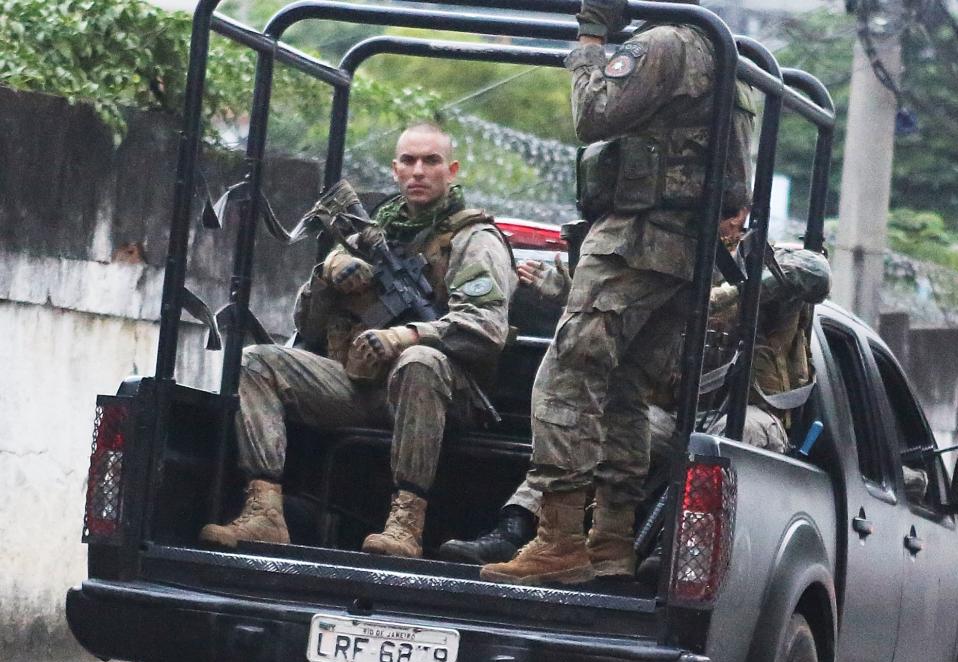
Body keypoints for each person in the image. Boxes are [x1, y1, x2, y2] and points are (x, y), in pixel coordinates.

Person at [481, 0, 754, 585]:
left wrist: (590, 35)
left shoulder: (664, 45)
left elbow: (592, 114)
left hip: (633, 240)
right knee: (625, 392)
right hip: (684, 252)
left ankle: (558, 540)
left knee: (567, 377)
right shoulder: (718, 51)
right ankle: (611, 539)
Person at [200, 122, 516, 559]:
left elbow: (486, 327)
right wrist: (328, 276)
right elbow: (307, 329)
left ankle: (406, 525)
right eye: (408, 161)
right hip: (361, 385)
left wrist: (406, 334)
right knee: (256, 361)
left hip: (440, 396)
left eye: (431, 161)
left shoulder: (473, 240)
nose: (418, 171)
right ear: (394, 170)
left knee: (419, 361)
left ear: (453, 170)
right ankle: (265, 514)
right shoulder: (371, 236)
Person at [438, 248, 828, 566]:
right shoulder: (668, 267)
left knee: (723, 442)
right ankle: (517, 529)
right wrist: (568, 289)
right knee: (598, 428)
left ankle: (677, 549)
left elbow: (813, 273)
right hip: (675, 413)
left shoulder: (762, 256)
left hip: (750, 413)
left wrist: (729, 295)